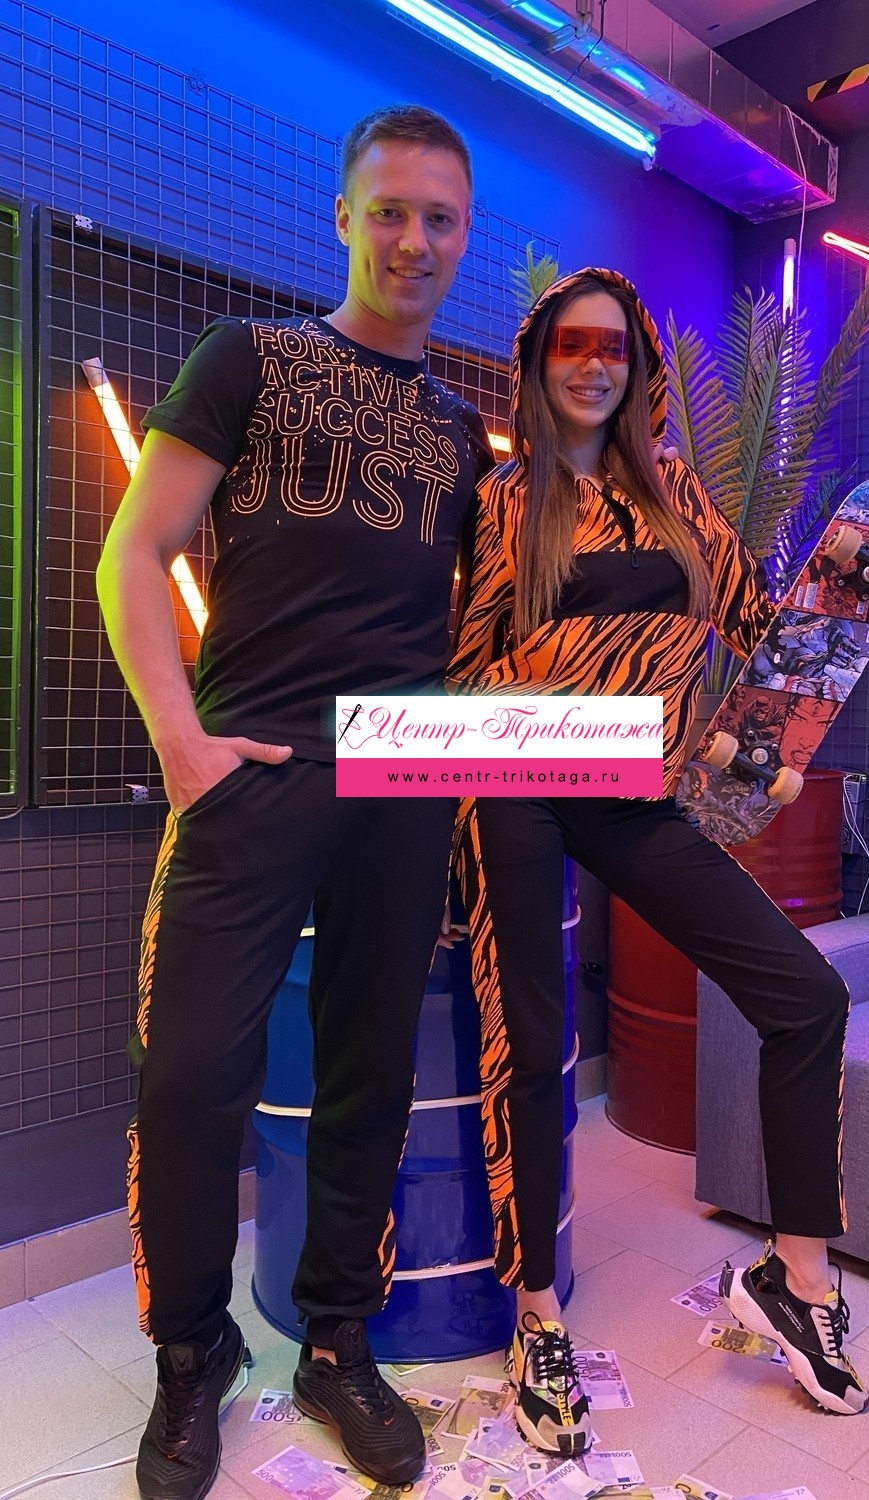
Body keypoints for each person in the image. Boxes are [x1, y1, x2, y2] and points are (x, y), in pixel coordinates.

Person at [447, 267, 869, 1454]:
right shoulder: (505, 499)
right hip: (516, 784)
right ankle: (537, 1317)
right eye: (569, 343)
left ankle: (795, 1280)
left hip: (632, 796)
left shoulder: (674, 496)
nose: (592, 363)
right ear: (538, 362)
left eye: (613, 346)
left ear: (640, 370)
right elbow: (461, 671)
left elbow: (773, 636)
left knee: (804, 995)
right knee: (530, 1037)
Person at [97, 105, 493, 1500]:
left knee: (368, 1076)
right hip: (249, 767)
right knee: (190, 1074)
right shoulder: (249, 360)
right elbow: (134, 550)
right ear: (343, 217)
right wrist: (181, 741)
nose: (413, 239)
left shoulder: (462, 431)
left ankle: (336, 1340)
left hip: (400, 777)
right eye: (389, 210)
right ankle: (190, 1355)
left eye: (439, 218)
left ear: (463, 237)